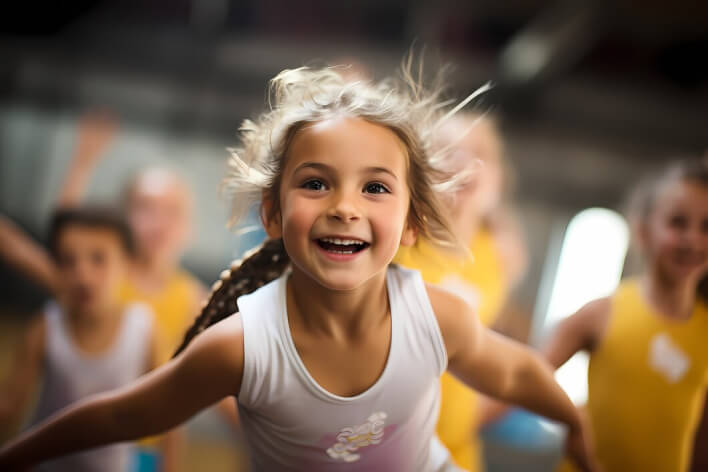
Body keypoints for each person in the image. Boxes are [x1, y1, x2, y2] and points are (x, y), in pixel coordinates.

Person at [0, 62, 597, 472]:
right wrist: (19, 454)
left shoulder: (437, 318)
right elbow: (126, 411)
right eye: (316, 183)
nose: (343, 207)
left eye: (375, 188)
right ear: (275, 213)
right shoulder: (241, 346)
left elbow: (517, 375)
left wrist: (574, 424)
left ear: (412, 223)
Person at [545, 159, 708, 471]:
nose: (694, 240)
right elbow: (527, 373)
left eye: (707, 227)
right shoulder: (603, 313)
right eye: (678, 223)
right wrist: (572, 419)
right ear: (644, 230)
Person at [394, 111, 527, 470]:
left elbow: (488, 346)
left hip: (455, 447)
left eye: (479, 152)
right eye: (448, 150)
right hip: (384, 439)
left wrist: (484, 409)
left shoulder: (498, 254)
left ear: (497, 178)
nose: (464, 162)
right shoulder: (398, 240)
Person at [0, 207, 164, 471]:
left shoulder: (143, 329)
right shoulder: (47, 326)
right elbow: (9, 406)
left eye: (98, 259)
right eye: (68, 260)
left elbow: (168, 411)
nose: (82, 275)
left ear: (128, 265)